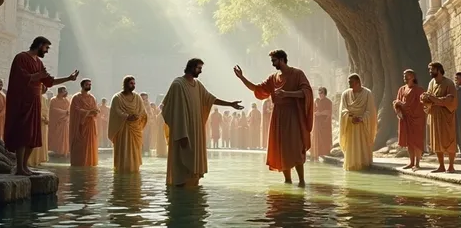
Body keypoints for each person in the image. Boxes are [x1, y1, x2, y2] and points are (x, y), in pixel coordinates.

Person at [234, 49, 314, 185]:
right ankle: (287, 180)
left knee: (295, 145)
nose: (272, 64)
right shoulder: (273, 78)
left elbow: (306, 92)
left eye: (274, 61)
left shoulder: (297, 74)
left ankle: (301, 180)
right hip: (278, 116)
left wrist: (287, 93)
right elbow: (256, 88)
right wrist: (242, 77)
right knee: (281, 147)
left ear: (282, 59)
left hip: (293, 114)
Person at [162, 58, 243, 187]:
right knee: (181, 162)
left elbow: (210, 99)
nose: (200, 71)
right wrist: (181, 133)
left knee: (193, 162)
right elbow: (172, 109)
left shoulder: (197, 85)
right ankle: (180, 188)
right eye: (199, 68)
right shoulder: (178, 84)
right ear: (192, 67)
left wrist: (230, 104)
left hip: (195, 132)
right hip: (182, 131)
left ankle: (192, 186)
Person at [4, 36, 79, 176]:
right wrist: (37, 76)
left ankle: (25, 166)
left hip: (34, 102)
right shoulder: (21, 58)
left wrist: (68, 78)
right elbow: (20, 78)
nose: (47, 51)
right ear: (39, 45)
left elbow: (49, 81)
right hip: (22, 102)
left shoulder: (38, 62)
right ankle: (19, 167)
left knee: (32, 135)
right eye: (46, 48)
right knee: (22, 133)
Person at [422, 62, 457, 173]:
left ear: (438, 69)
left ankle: (451, 166)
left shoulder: (449, 83)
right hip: (434, 115)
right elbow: (429, 95)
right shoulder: (431, 82)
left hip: (446, 116)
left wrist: (434, 99)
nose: (430, 72)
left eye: (431, 69)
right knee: (436, 140)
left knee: (449, 139)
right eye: (429, 70)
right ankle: (441, 165)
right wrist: (424, 97)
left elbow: (450, 100)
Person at [108, 76, 148, 173]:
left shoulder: (137, 97)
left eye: (134, 83)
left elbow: (143, 112)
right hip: (122, 127)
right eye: (131, 83)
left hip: (135, 128)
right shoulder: (117, 98)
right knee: (123, 149)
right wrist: (127, 116)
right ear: (125, 84)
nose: (133, 85)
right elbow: (116, 111)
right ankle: (122, 168)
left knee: (134, 150)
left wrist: (137, 116)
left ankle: (134, 168)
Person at [339, 74, 377, 171]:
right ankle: (351, 166)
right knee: (351, 148)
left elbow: (370, 111)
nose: (349, 83)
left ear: (357, 82)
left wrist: (362, 118)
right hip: (350, 124)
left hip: (363, 125)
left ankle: (364, 166)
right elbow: (343, 110)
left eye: (350, 82)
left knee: (362, 147)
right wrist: (350, 117)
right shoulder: (345, 94)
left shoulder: (367, 93)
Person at [393, 69, 426, 170]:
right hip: (405, 118)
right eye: (404, 76)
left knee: (417, 140)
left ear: (413, 77)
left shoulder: (419, 90)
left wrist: (405, 106)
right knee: (409, 141)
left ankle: (417, 163)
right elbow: (397, 102)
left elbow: (420, 105)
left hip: (416, 119)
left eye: (407, 76)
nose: (405, 78)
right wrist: (398, 105)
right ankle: (411, 162)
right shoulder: (401, 89)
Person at [70, 78, 99, 167]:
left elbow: (95, 109)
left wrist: (94, 112)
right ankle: (79, 163)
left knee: (90, 145)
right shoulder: (76, 97)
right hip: (80, 125)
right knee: (81, 145)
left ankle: (90, 162)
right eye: (87, 85)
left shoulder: (92, 97)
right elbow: (76, 110)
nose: (89, 86)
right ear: (82, 85)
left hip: (90, 125)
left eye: (90, 85)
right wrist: (88, 112)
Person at [27, 84, 50, 167]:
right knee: (34, 140)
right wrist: (41, 118)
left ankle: (38, 159)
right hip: (36, 122)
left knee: (42, 141)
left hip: (44, 124)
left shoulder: (44, 99)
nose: (42, 89)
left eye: (43, 88)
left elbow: (46, 110)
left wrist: (47, 118)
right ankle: (30, 161)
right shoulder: (33, 98)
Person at [48, 86, 71, 157]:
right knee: (56, 137)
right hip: (56, 122)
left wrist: (66, 114)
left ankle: (64, 151)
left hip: (64, 121)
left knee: (65, 137)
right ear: (60, 92)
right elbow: (53, 110)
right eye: (64, 91)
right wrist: (64, 112)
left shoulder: (66, 100)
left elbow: (68, 110)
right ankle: (55, 151)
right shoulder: (53, 100)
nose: (65, 93)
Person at [311, 87, 333, 160]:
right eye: (319, 93)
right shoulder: (316, 101)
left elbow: (328, 112)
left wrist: (320, 113)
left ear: (325, 93)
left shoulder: (328, 102)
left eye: (321, 93)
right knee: (316, 138)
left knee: (324, 138)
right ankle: (316, 153)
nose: (320, 94)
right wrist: (315, 113)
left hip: (325, 123)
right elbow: (312, 110)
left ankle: (325, 152)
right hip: (317, 123)